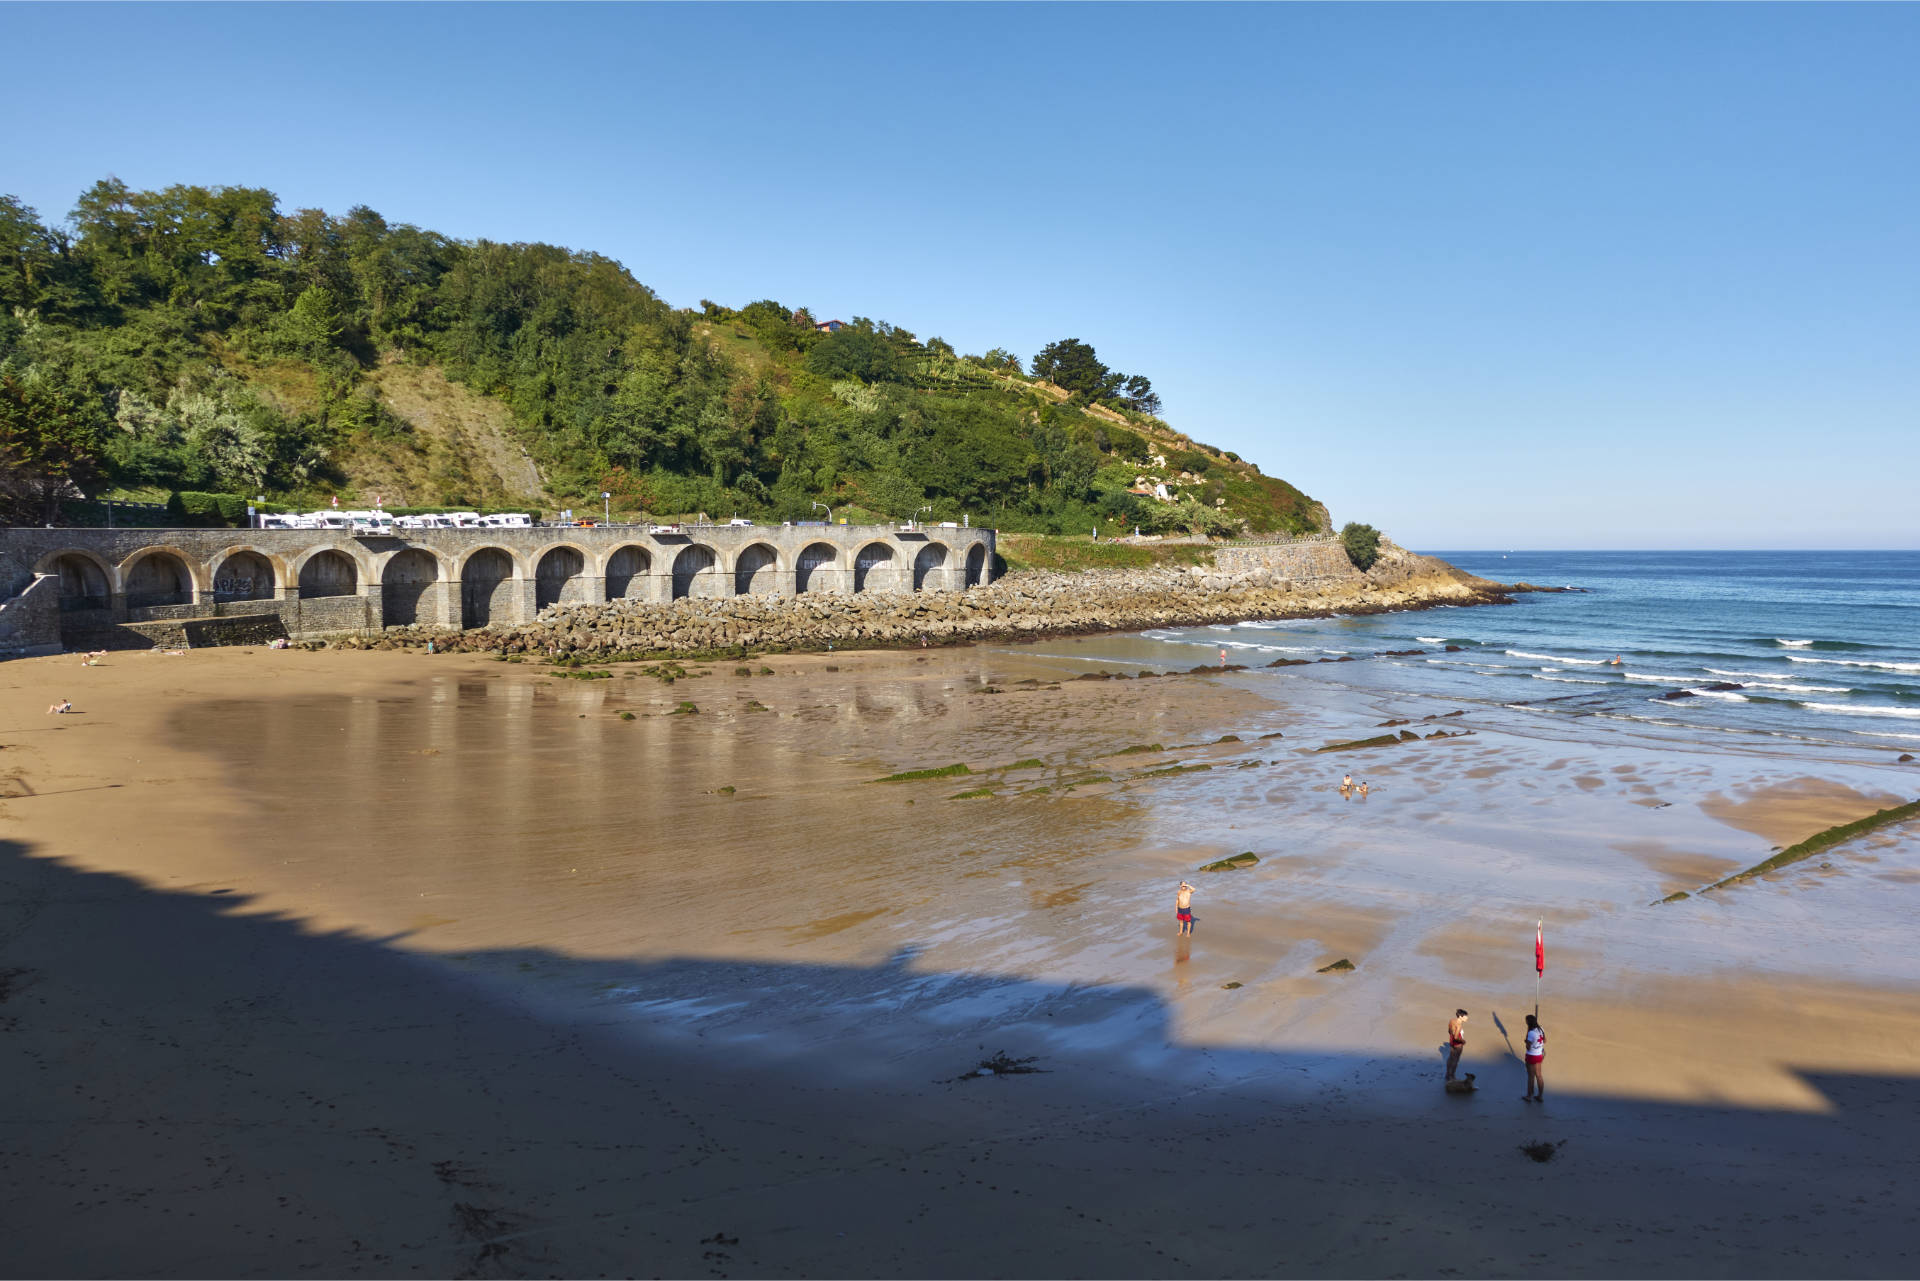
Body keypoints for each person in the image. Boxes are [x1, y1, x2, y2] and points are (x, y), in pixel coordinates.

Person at [1523, 1013, 1546, 1102]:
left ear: (1529, 1023)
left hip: (1531, 1056)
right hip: (1539, 1055)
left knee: (1531, 1077)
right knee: (1539, 1076)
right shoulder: (1541, 1029)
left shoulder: (1531, 1033)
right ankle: (1540, 1096)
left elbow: (1528, 1047)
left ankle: (1529, 1096)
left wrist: (1526, 1041)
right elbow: (1545, 1040)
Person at [1445, 1008, 1469, 1081]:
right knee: (1456, 1060)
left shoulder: (1452, 1021)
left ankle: (1447, 1074)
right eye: (1465, 1016)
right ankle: (1452, 1076)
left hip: (1451, 1042)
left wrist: (1452, 1036)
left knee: (1450, 1058)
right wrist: (1463, 1041)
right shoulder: (1459, 1025)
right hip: (1457, 1044)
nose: (1467, 1018)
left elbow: (1449, 1031)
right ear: (1460, 1017)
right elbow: (1456, 1037)